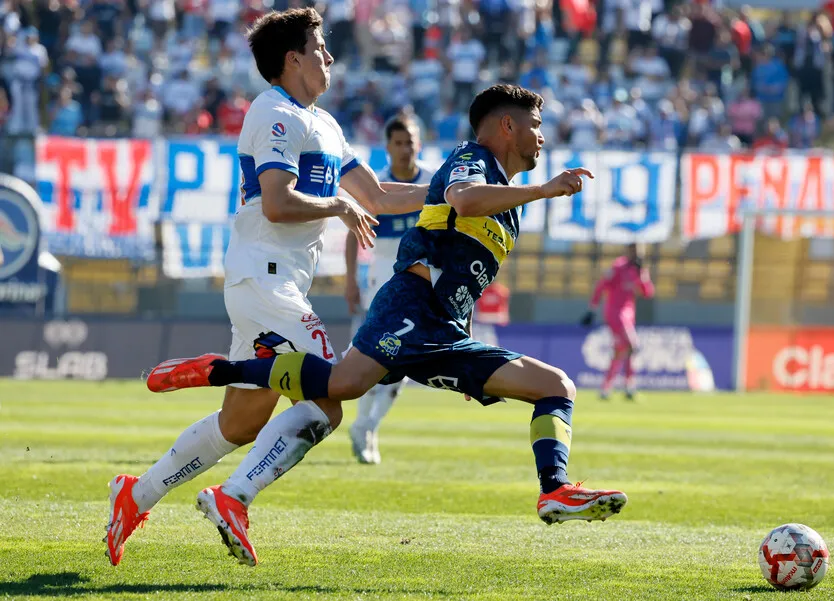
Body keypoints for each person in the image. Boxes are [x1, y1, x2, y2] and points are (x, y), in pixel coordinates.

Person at [145, 84, 628, 566]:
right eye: (535, 126)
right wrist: (544, 189)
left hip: (443, 328)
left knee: (351, 386)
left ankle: (555, 492)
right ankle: (555, 489)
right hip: (410, 308)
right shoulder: (473, 159)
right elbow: (460, 199)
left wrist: (467, 340)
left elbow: (466, 267)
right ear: (508, 126)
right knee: (346, 389)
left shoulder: (508, 199)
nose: (541, 137)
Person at [104, 8, 428, 567]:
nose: (330, 57)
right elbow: (277, 204)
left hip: (271, 284)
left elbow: (376, 196)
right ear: (293, 58)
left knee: (240, 423)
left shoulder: (323, 123)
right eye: (320, 46)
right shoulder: (273, 112)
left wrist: (451, 190)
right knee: (330, 400)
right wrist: (337, 205)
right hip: (265, 278)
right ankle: (234, 495)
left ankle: (137, 494)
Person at [344, 115, 436, 465]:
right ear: (388, 147)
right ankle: (364, 427)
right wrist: (350, 279)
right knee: (374, 356)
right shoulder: (376, 185)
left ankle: (366, 426)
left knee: (408, 360)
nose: (404, 149)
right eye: (397, 143)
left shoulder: (433, 182)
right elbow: (356, 234)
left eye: (409, 141)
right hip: (383, 274)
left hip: (424, 278)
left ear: (419, 143)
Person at [581, 244, 655, 401]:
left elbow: (648, 293)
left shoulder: (639, 269)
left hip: (629, 315)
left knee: (622, 350)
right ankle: (627, 386)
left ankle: (608, 388)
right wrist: (592, 309)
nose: (637, 254)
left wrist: (643, 276)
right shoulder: (618, 266)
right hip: (615, 313)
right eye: (634, 250)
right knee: (632, 344)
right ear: (629, 251)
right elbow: (601, 286)